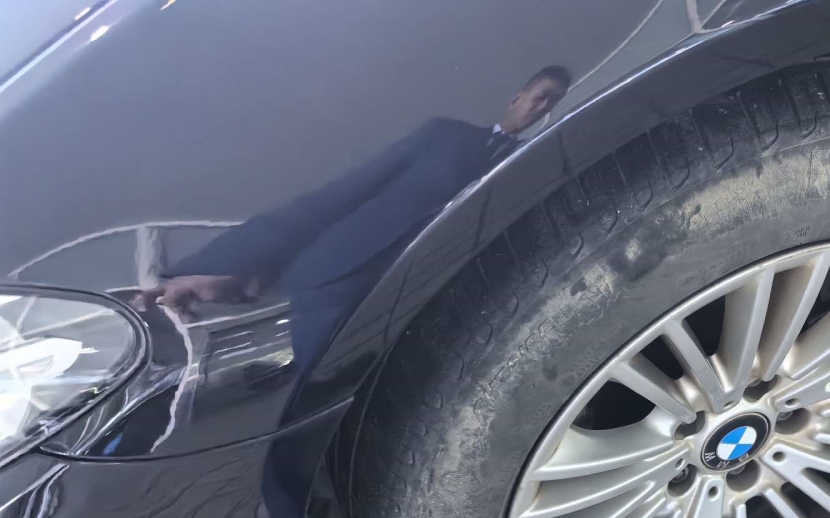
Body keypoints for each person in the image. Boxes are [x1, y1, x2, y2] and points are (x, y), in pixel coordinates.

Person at [136, 65, 571, 373]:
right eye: (539, 95)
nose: (541, 106)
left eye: (552, 101)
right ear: (517, 98)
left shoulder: (532, 166)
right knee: (315, 396)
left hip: (434, 304)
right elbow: (344, 192)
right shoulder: (445, 135)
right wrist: (221, 264)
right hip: (342, 278)